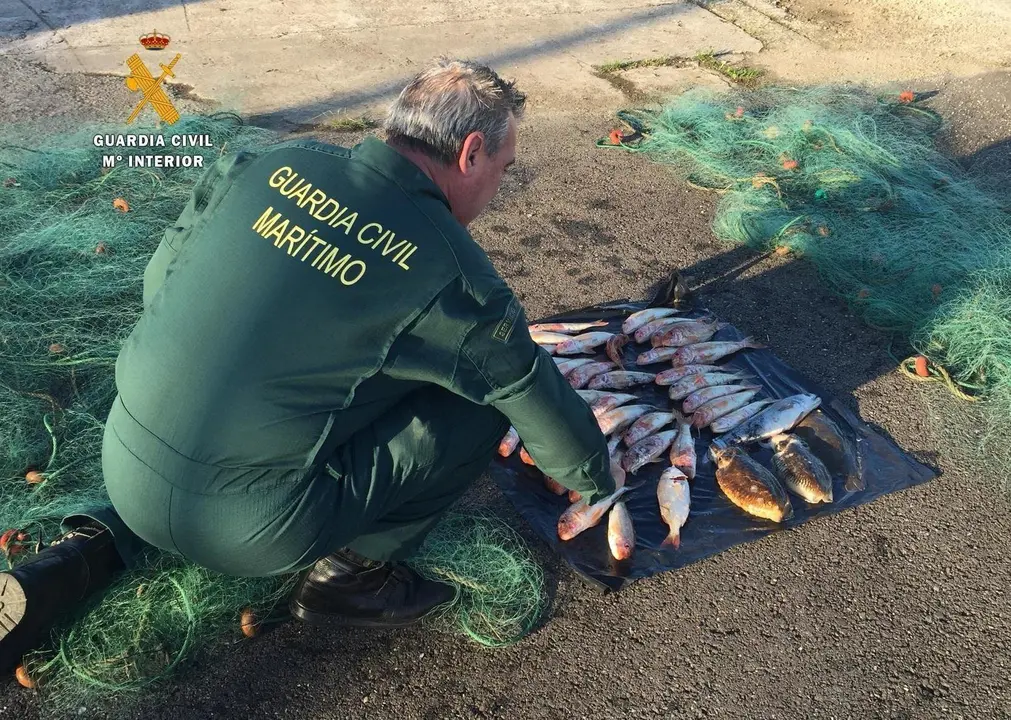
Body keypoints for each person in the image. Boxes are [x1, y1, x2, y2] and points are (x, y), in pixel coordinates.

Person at [0, 57, 616, 671]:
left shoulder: (267, 164)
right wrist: (593, 476)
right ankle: (352, 576)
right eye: (503, 170)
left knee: (237, 393)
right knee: (475, 403)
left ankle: (91, 548)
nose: (497, 189)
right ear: (471, 152)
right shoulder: (454, 273)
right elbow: (529, 390)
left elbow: (162, 280)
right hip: (255, 529)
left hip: (126, 465)